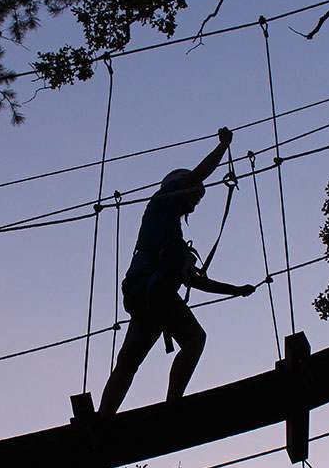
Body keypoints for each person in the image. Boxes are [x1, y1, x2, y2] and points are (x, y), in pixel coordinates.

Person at [96, 126, 257, 415]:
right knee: (193, 339)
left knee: (130, 359)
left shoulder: (172, 239)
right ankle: (172, 404)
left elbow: (194, 281)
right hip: (153, 291)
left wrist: (236, 291)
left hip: (146, 296)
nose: (195, 203)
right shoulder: (160, 205)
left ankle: (104, 416)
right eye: (195, 196)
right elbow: (196, 176)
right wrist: (222, 147)